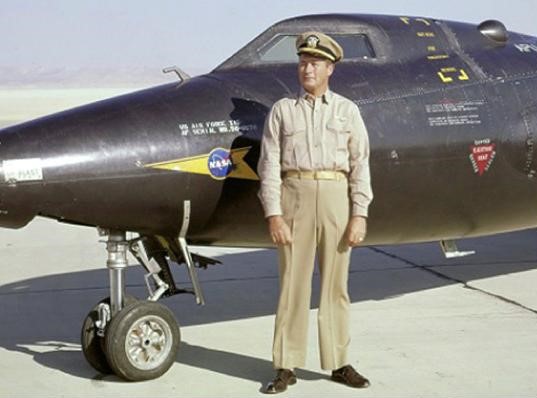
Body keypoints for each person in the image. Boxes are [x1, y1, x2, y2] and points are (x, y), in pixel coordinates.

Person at [257, 31, 374, 394]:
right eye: (303, 62)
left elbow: (360, 164)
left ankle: (338, 362)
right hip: (296, 196)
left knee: (336, 286)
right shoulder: (282, 110)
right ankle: (285, 365)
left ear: (330, 69)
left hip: (337, 195)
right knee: (293, 283)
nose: (307, 68)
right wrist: (274, 214)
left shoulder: (347, 111)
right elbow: (269, 165)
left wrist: (359, 214)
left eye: (315, 63)